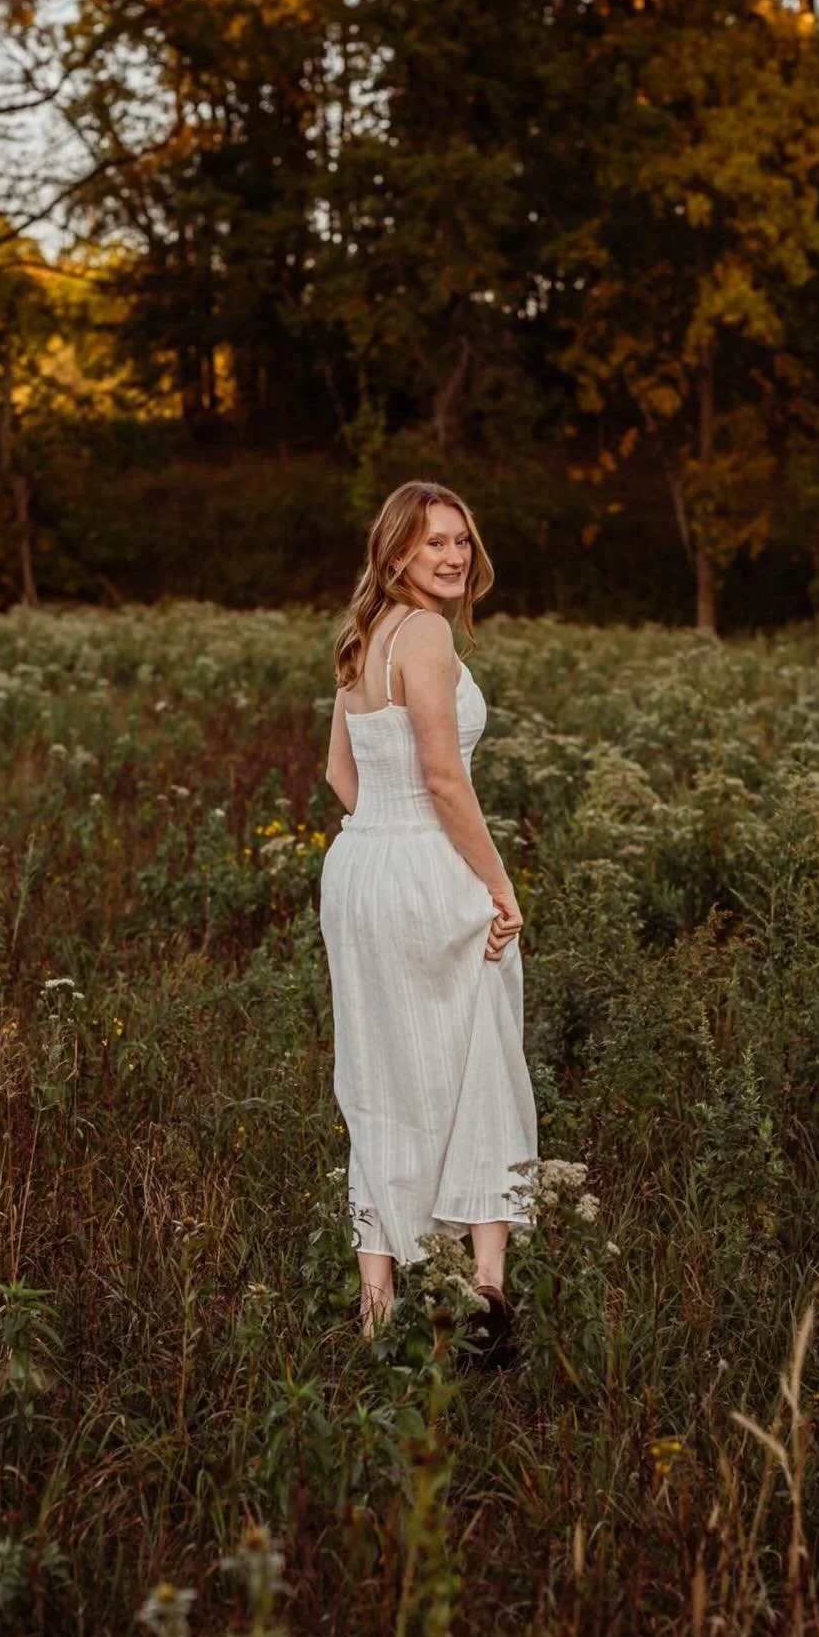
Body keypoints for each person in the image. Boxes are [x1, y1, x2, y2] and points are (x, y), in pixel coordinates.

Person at [319, 479, 538, 1354]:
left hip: (361, 864)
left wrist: (386, 827)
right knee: (480, 1060)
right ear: (397, 552)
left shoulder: (360, 635)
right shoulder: (429, 635)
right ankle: (486, 1299)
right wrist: (499, 887)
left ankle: (377, 1313)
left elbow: (341, 776)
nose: (451, 555)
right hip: (423, 865)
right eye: (432, 541)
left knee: (380, 1078)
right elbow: (446, 780)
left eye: (460, 539)